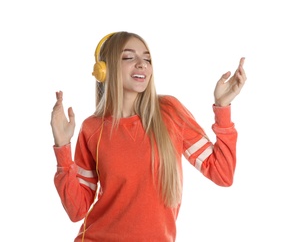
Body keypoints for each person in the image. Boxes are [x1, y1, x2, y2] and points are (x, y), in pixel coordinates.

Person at [50, 31, 247, 242]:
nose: (142, 64)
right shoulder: (92, 128)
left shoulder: (170, 112)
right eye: (128, 57)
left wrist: (223, 108)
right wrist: (62, 147)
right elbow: (77, 210)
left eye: (147, 59)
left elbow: (223, 173)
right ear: (104, 70)